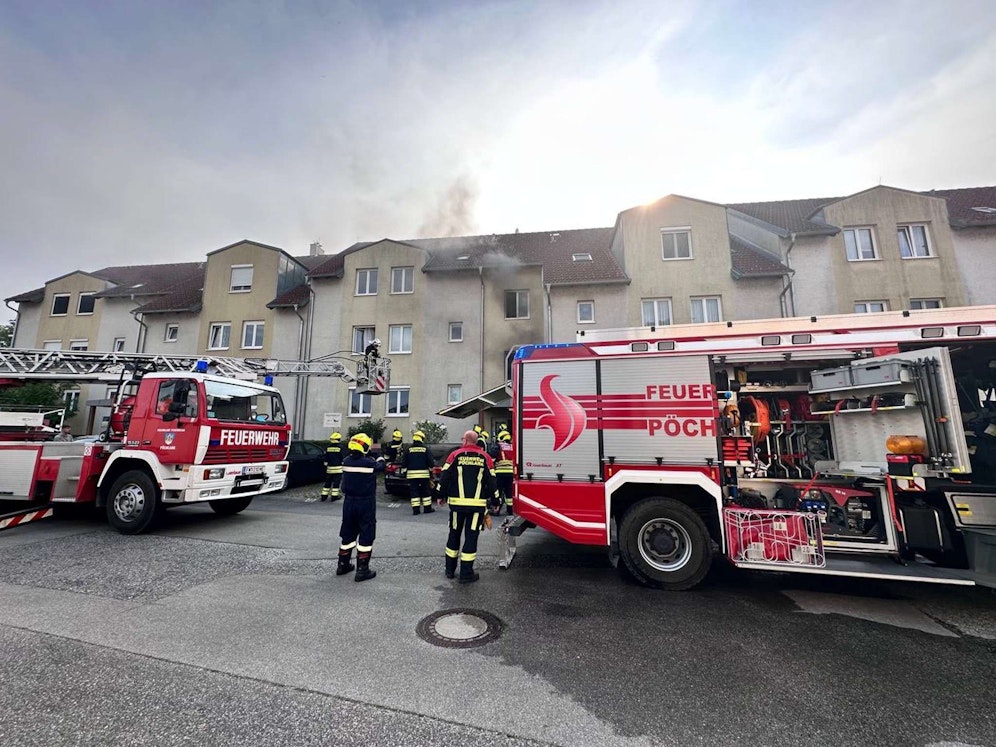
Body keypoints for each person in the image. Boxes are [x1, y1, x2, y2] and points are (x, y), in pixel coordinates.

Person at [436, 429, 499, 583]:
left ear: (465, 440)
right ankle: (466, 574)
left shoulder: (454, 455)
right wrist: (495, 501)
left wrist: (440, 495)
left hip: (457, 505)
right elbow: (492, 481)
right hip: (476, 507)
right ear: (476, 441)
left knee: (454, 535)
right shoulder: (485, 457)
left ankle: (449, 570)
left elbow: (444, 477)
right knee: (471, 537)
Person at [337, 433, 385, 582]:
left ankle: (343, 565)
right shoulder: (369, 463)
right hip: (365, 502)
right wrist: (379, 456)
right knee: (366, 533)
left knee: (348, 533)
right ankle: (362, 570)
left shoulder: (346, 461)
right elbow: (381, 467)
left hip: (349, 502)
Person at [401, 430, 435, 515]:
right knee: (425, 491)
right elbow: (431, 463)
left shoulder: (408, 449)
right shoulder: (425, 449)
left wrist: (404, 473)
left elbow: (404, 463)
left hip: (412, 476)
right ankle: (427, 508)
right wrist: (431, 473)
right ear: (422, 438)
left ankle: (416, 510)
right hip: (424, 475)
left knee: (414, 491)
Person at [494, 429, 515, 516]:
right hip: (511, 473)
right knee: (509, 492)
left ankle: (497, 510)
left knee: (498, 492)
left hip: (500, 472)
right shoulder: (512, 446)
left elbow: (492, 457)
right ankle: (510, 511)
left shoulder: (498, 446)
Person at [320, 432, 344, 502]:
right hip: (338, 469)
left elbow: (326, 459)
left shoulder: (328, 448)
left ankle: (324, 496)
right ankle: (334, 497)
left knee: (327, 483)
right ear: (339, 439)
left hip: (329, 469)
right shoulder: (341, 448)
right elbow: (342, 458)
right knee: (336, 483)